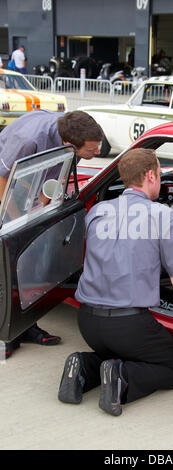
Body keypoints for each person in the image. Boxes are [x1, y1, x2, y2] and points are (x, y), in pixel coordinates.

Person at [58, 148, 173, 416]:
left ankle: (83, 366)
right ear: (150, 176)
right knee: (170, 369)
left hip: (87, 321)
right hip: (128, 324)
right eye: (160, 174)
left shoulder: (97, 210)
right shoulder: (163, 215)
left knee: (118, 351)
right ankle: (120, 377)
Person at [1, 109, 104, 358]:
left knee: (31, 263)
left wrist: (43, 211)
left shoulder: (73, 131)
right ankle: (5, 334)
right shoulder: (29, 141)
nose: (98, 153)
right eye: (92, 150)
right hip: (4, 184)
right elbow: (2, 183)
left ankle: (25, 327)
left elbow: (56, 177)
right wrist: (18, 223)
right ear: (69, 143)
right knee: (7, 262)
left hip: (26, 180)